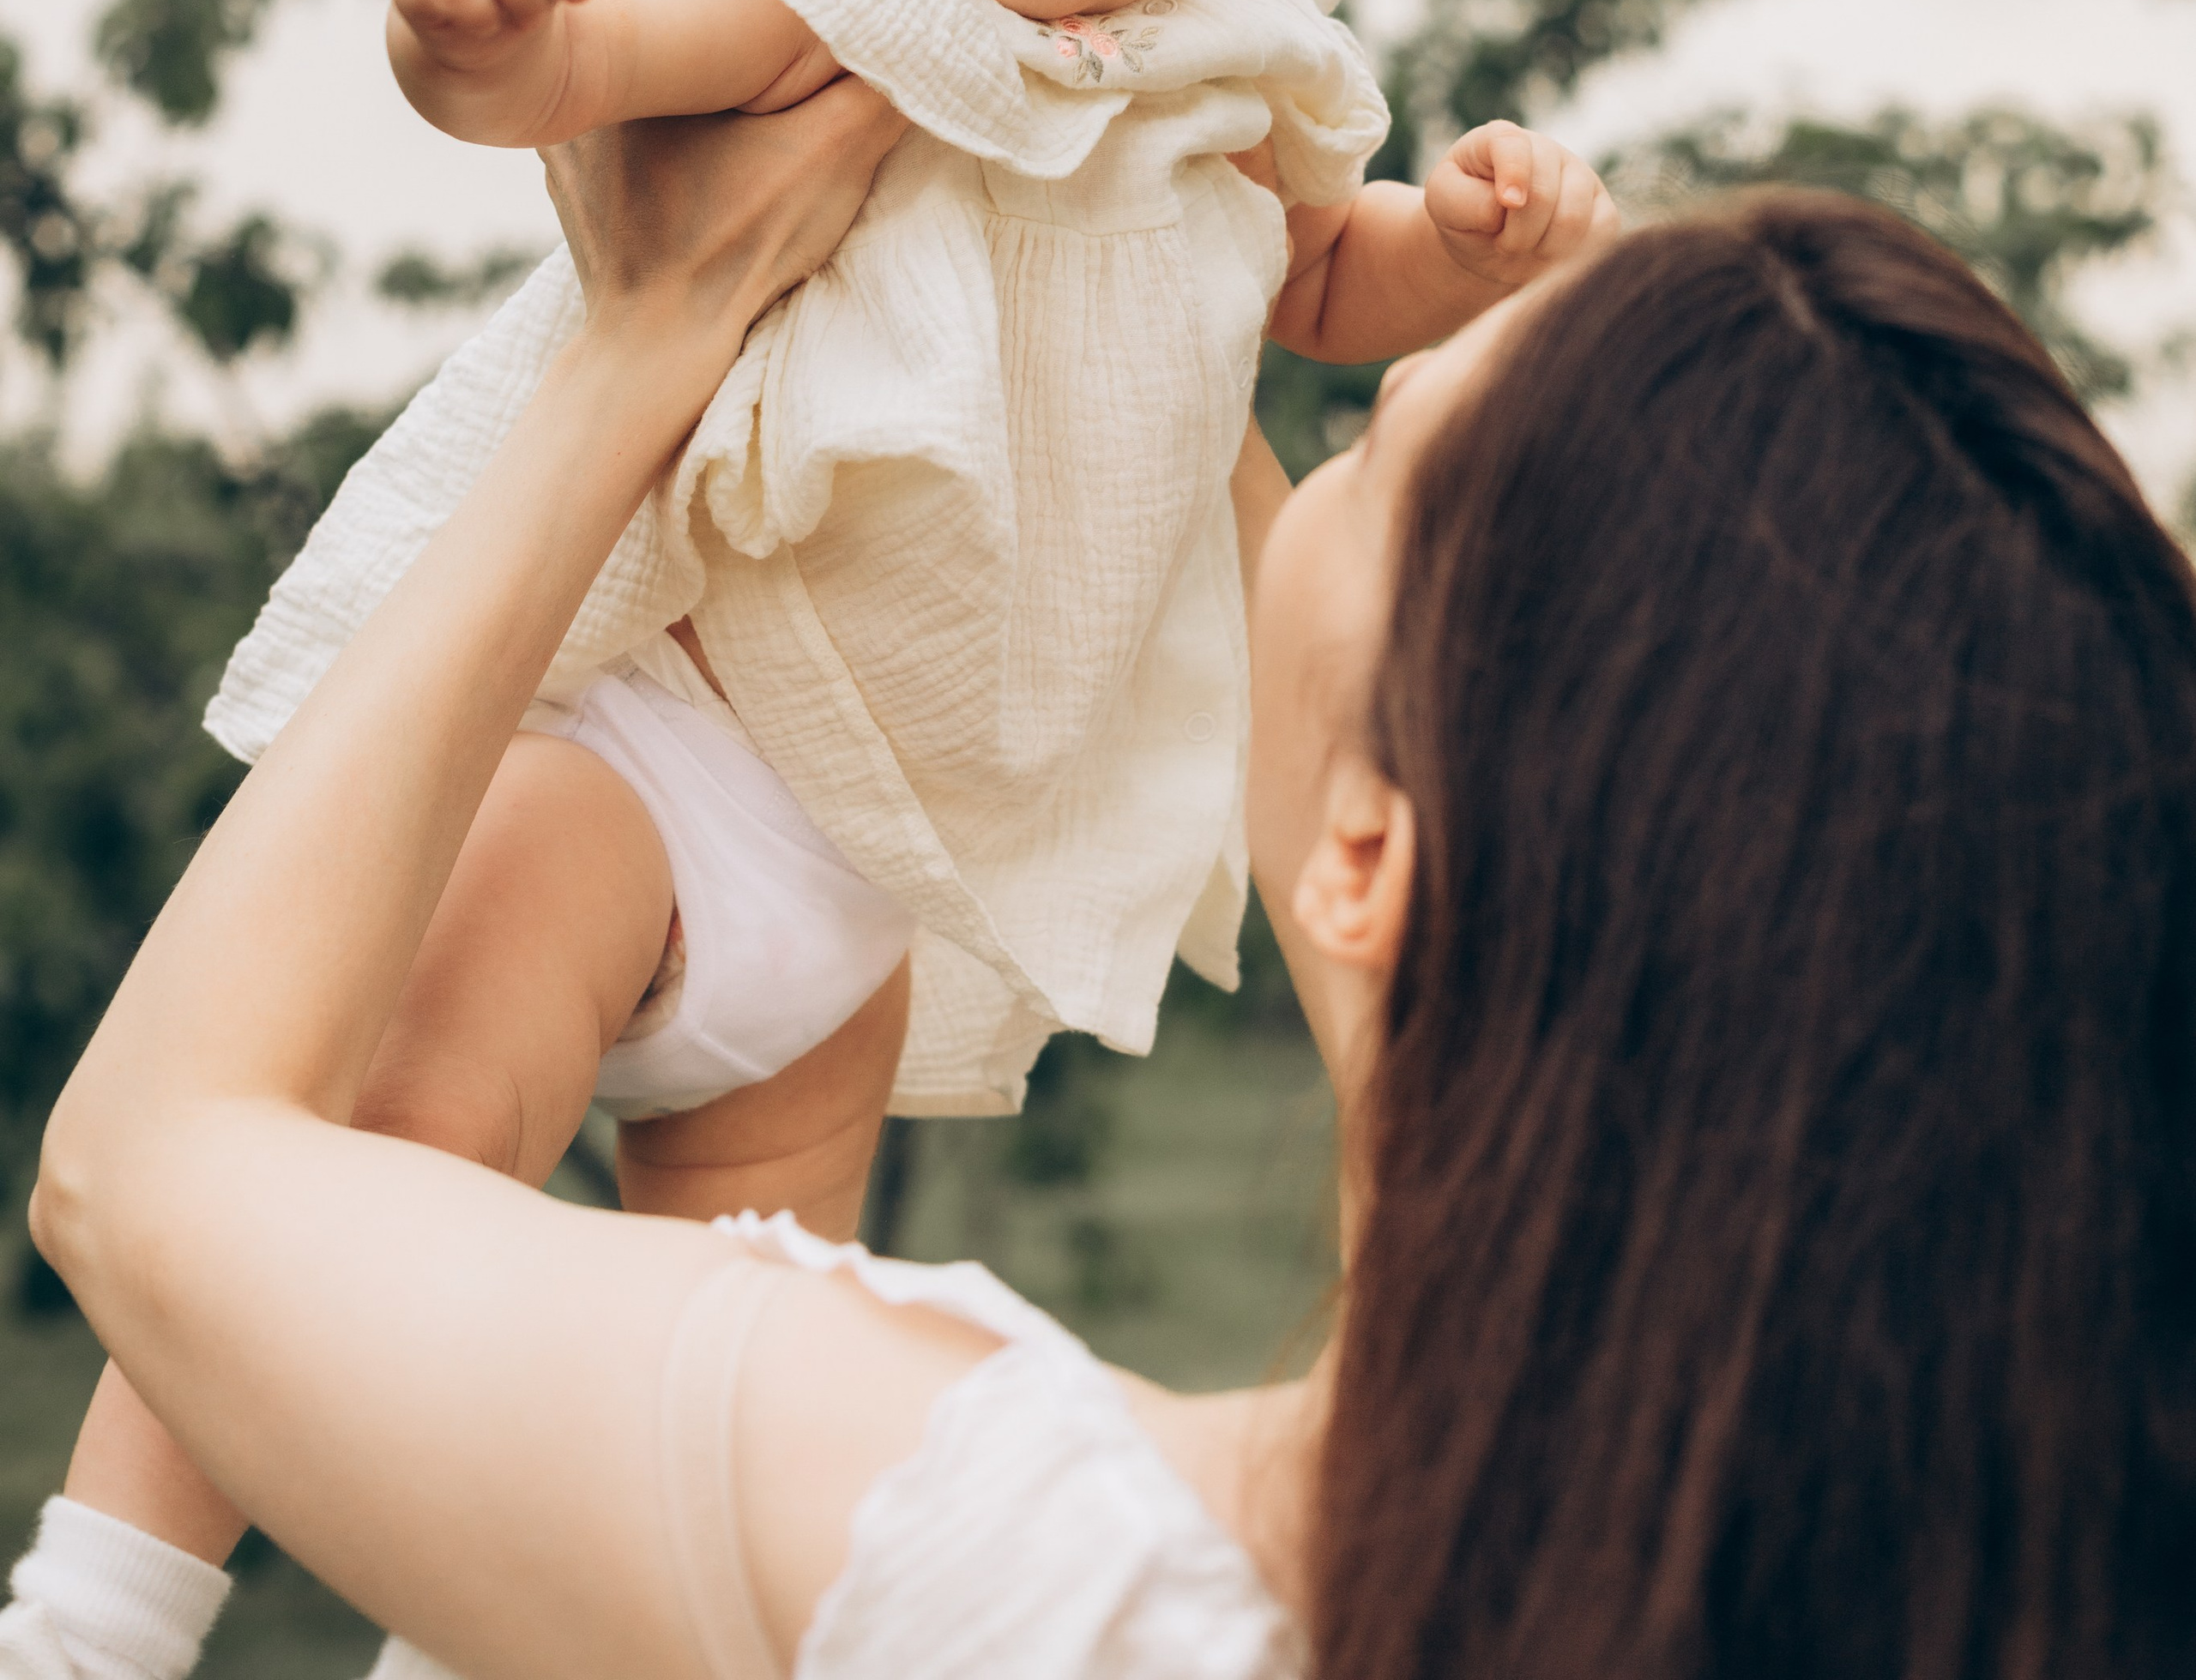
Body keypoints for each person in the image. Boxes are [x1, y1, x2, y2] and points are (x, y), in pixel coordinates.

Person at [17, 87, 2196, 1677]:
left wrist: (637, 345)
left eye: (1374, 445)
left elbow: (149, 1172)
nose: (1295, 438)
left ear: (1364, 857)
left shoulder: (1023, 1569)